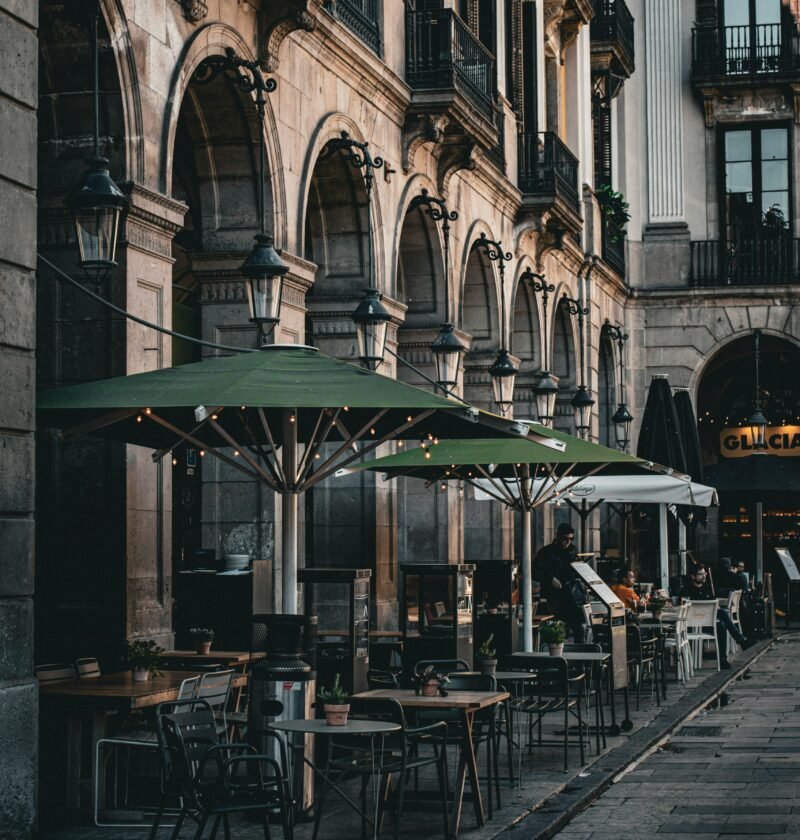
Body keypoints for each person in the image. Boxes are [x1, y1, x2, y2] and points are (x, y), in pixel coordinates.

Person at [680, 565, 753, 669]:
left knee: (721, 624)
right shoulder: (686, 590)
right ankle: (740, 639)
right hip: (690, 624)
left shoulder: (707, 588)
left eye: (704, 573)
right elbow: (682, 606)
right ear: (692, 576)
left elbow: (716, 606)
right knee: (723, 614)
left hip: (707, 623)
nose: (704, 576)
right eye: (700, 574)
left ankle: (723, 659)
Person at [535, 522, 586, 641]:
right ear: (557, 536)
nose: (568, 542)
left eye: (571, 539)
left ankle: (580, 653)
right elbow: (535, 571)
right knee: (558, 628)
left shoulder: (573, 550)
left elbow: (576, 570)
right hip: (554, 597)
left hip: (571, 595)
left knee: (578, 627)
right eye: (565, 539)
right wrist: (550, 578)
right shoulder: (546, 552)